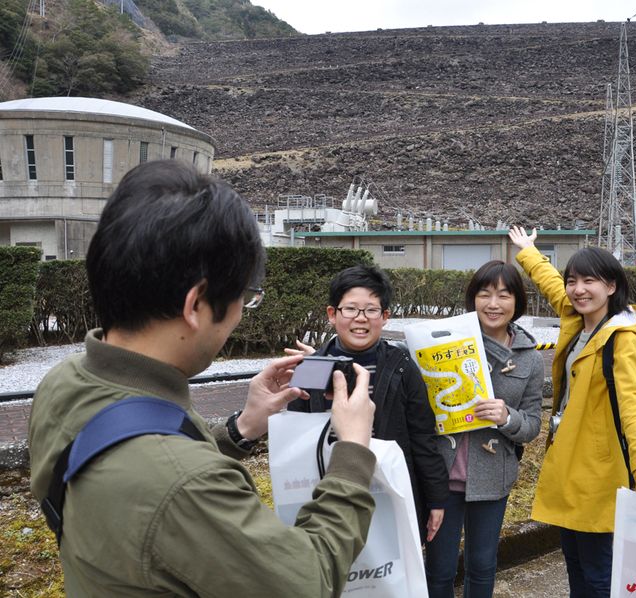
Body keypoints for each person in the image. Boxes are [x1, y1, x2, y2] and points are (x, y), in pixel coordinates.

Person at [28, 160, 378, 597]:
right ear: (195, 305)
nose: (238, 316)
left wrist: (242, 428)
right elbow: (309, 582)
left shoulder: (65, 382)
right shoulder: (187, 485)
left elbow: (141, 461)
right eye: (243, 299)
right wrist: (351, 452)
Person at [508, 226, 636, 598]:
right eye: (573, 281)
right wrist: (529, 251)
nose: (578, 289)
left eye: (589, 281)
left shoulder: (621, 338)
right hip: (571, 463)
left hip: (599, 471)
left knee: (599, 573)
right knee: (576, 566)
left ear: (612, 286)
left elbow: (634, 406)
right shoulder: (578, 318)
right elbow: (552, 284)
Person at [287, 264, 449, 543]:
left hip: (389, 489)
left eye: (371, 310)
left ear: (385, 316)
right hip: (329, 489)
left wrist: (436, 498)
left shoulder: (402, 367)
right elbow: (295, 438)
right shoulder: (312, 367)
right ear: (331, 314)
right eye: (350, 309)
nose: (360, 319)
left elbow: (423, 437)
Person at [424, 260, 544, 598]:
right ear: (472, 299)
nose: (494, 304)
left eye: (504, 295)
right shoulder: (445, 344)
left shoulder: (530, 358)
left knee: (482, 564)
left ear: (517, 302)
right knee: (439, 566)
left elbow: (533, 424)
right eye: (485, 294)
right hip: (442, 475)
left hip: (493, 474)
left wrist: (507, 417)